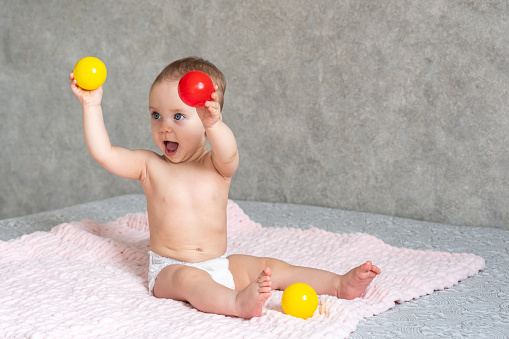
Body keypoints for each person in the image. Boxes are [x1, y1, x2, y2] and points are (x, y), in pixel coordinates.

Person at [69, 56, 381, 319]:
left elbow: (229, 151)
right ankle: (236, 303)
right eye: (156, 115)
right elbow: (105, 152)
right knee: (190, 280)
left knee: (269, 266)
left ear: (206, 120)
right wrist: (91, 105)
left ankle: (339, 284)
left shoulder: (216, 165)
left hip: (218, 263)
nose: (164, 126)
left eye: (178, 116)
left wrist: (214, 125)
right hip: (170, 269)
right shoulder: (149, 166)